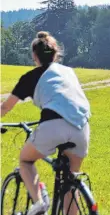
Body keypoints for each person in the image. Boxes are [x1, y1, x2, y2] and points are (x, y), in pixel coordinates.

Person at [1, 31, 91, 215]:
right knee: (69, 185)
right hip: (82, 127)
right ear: (55, 53)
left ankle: (40, 203)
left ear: (34, 56)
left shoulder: (30, 77)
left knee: (26, 160)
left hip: (54, 125)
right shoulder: (68, 72)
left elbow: (5, 108)